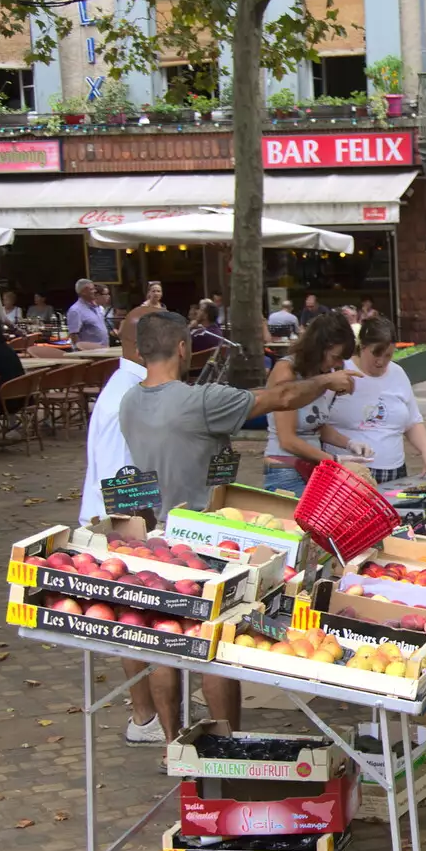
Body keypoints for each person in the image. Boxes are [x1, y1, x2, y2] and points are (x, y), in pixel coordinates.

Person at [120, 311, 360, 731]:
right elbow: (280, 400)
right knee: (214, 644)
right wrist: (324, 381)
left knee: (164, 641)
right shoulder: (201, 401)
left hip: (155, 536)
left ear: (141, 351)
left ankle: (171, 741)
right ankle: (225, 740)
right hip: (205, 541)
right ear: (182, 348)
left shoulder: (130, 400)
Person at [78, 304, 180, 744]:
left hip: (122, 523)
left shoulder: (131, 387)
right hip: (120, 528)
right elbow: (124, 483)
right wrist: (148, 539)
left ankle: (150, 713)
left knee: (137, 629)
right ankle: (148, 717)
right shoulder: (129, 395)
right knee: (142, 629)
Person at [328, 317, 426, 483]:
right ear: (362, 347)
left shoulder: (397, 373)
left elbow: (412, 420)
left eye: (388, 355)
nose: (381, 361)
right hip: (349, 472)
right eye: (376, 354)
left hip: (394, 471)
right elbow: (318, 422)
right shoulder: (342, 371)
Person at [265, 312, 371, 495]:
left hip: (314, 468)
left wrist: (350, 443)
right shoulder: (286, 372)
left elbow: (315, 425)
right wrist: (334, 460)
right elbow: (287, 440)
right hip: (285, 469)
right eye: (335, 357)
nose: (337, 364)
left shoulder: (318, 374)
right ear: (319, 348)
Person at [67, 278, 109, 346]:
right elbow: (74, 335)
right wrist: (82, 352)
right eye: (91, 289)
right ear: (83, 292)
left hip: (104, 350)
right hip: (90, 353)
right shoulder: (75, 310)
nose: (95, 291)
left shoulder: (97, 307)